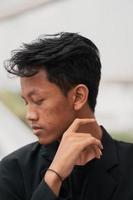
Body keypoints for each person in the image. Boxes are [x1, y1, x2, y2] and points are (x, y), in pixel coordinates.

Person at [0, 32, 133, 200]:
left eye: (38, 101)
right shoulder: (13, 170)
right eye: (27, 102)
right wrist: (53, 177)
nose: (30, 115)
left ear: (78, 97)